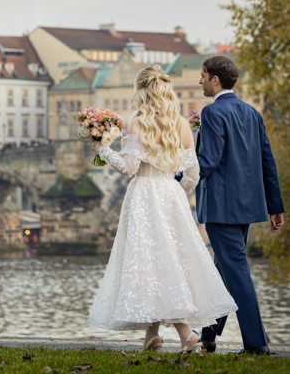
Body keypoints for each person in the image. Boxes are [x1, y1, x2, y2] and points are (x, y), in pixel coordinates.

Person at [87, 64, 237, 352]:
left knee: (150, 260)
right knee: (166, 259)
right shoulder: (181, 124)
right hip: (170, 195)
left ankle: (185, 334)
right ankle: (152, 335)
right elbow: (193, 174)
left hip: (144, 193)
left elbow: (129, 168)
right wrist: (177, 193)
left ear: (141, 91)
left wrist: (102, 150)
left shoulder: (139, 122)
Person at [195, 55, 284, 355]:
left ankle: (257, 343)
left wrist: (177, 175)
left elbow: (207, 162)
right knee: (224, 269)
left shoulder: (212, 113)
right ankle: (208, 334)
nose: (200, 80)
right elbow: (266, 162)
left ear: (215, 79)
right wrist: (275, 206)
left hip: (221, 207)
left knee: (236, 271)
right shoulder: (252, 113)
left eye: (203, 75)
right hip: (247, 205)